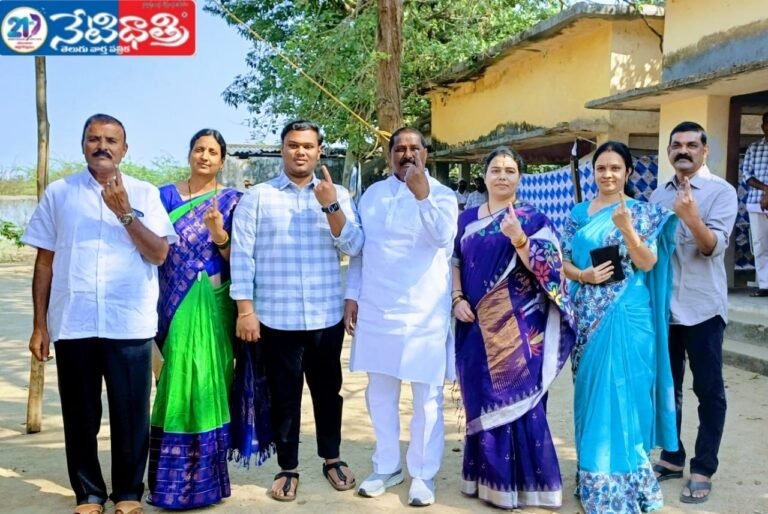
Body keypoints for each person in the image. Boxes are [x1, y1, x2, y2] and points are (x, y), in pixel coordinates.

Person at [21, 114, 178, 514]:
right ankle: (88, 493)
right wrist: (40, 324)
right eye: (94, 139)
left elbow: (159, 254)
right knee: (80, 413)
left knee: (131, 414)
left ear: (125, 149)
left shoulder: (143, 194)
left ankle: (128, 493)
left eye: (111, 140)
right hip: (73, 322)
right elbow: (44, 264)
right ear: (83, 145)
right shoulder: (60, 193)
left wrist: (125, 213)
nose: (102, 146)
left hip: (129, 322)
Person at [230, 120, 363, 502]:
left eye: (307, 146)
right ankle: (288, 466)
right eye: (292, 145)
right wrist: (245, 310)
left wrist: (331, 206)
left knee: (328, 392)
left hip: (325, 316)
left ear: (319, 151)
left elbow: (354, 246)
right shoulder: (259, 197)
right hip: (276, 316)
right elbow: (242, 257)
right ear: (282, 150)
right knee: (283, 395)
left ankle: (332, 458)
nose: (300, 152)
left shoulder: (337, 194)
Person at [147, 129, 271, 509]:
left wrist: (219, 235)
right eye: (199, 149)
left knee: (209, 386)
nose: (205, 156)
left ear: (222, 160)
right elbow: (147, 250)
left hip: (214, 304)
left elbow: (245, 262)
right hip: (169, 304)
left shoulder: (235, 202)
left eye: (213, 152)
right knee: (172, 386)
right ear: (189, 155)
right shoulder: (162, 197)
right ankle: (168, 484)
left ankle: (207, 483)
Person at [451, 146, 576, 509]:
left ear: (519, 177)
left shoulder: (534, 218)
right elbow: (455, 262)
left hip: (520, 329)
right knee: (482, 397)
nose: (502, 176)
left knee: (522, 402)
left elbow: (553, 272)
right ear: (485, 175)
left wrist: (519, 238)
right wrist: (457, 299)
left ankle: (529, 486)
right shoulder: (466, 219)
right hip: (475, 324)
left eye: (510, 170)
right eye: (496, 169)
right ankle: (486, 482)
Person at [561, 141, 678, 513]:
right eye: (601, 168)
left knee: (628, 397)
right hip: (588, 317)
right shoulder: (579, 213)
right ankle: (595, 479)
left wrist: (627, 230)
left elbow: (646, 262)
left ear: (628, 172)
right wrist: (584, 274)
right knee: (593, 397)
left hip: (630, 314)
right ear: (592, 173)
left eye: (615, 168)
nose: (608, 175)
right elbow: (560, 260)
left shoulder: (642, 212)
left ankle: (630, 484)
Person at [344, 127, 458, 507]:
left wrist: (422, 194)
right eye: (399, 149)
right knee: (380, 394)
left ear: (426, 153)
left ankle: (422, 474)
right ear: (389, 153)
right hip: (377, 309)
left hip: (425, 312)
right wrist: (352, 296)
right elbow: (360, 252)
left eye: (414, 148)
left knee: (426, 398)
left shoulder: (443, 196)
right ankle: (387, 465)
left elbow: (443, 238)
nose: (407, 155)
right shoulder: (373, 195)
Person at [650, 121, 738, 504]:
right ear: (669, 152)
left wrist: (690, 217)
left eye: (691, 145)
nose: (682, 150)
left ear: (705, 151)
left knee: (708, 391)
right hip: (664, 311)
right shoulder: (655, 197)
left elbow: (711, 248)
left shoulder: (722, 192)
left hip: (703, 309)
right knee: (668, 390)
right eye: (676, 145)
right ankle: (672, 457)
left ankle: (703, 467)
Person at [741, 112, 768, 297]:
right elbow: (746, 175)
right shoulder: (754, 148)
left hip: (762, 198)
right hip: (755, 202)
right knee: (760, 244)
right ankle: (765, 285)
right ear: (762, 126)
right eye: (767, 123)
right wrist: (767, 189)